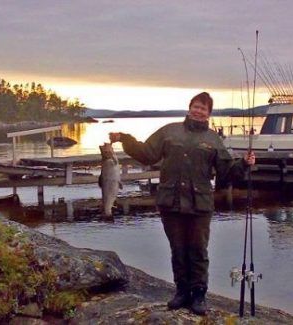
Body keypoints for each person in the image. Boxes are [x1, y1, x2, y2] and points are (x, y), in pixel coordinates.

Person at [109, 92, 255, 315]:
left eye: (203, 108)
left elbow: (226, 171)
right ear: (189, 108)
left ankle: (198, 295)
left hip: (200, 205)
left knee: (198, 250)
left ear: (209, 113)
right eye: (196, 106)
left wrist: (244, 164)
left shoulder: (214, 139)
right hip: (171, 202)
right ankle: (181, 292)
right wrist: (125, 139)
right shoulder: (169, 131)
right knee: (178, 249)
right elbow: (147, 154)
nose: (198, 111)